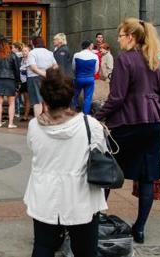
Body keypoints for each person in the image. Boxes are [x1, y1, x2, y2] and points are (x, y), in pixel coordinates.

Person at [96, 18, 160, 244]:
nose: (118, 39)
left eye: (121, 35)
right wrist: (159, 113)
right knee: (147, 177)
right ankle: (140, 229)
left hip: (127, 123)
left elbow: (116, 97)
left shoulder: (125, 60)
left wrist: (97, 116)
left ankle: (97, 218)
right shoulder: (155, 59)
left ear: (131, 37)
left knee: (108, 171)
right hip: (153, 124)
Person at [24, 68, 107, 256]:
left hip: (45, 195)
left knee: (43, 246)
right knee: (85, 251)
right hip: (82, 196)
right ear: (71, 96)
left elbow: (33, 148)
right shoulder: (90, 125)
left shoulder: (34, 126)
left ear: (45, 99)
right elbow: (102, 152)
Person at [0, 40, 20, 128]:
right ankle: (10, 123)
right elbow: (17, 70)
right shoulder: (13, 55)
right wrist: (18, 82)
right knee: (11, 103)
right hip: (10, 80)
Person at [27, 36, 58, 117]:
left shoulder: (32, 53)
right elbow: (55, 66)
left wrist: (42, 73)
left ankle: (37, 122)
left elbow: (33, 68)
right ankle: (47, 120)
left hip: (34, 78)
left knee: (37, 101)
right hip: (47, 78)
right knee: (45, 100)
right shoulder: (49, 52)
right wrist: (48, 74)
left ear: (33, 43)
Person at [72, 40, 99, 114]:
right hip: (90, 79)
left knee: (75, 96)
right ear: (90, 46)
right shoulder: (95, 56)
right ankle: (85, 115)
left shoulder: (76, 55)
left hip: (78, 78)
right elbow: (96, 70)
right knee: (88, 98)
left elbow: (73, 68)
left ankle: (73, 112)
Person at [19, 45, 31, 121]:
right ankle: (25, 114)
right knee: (23, 99)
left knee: (27, 99)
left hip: (27, 81)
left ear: (29, 51)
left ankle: (26, 116)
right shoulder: (22, 59)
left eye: (25, 51)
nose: (24, 52)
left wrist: (24, 70)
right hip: (22, 81)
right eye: (23, 51)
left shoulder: (30, 59)